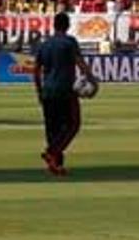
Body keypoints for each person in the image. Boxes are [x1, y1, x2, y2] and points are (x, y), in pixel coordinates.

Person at [33, 11, 87, 176]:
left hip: (48, 91)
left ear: (53, 25)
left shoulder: (44, 44)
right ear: (68, 26)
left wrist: (39, 91)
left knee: (52, 129)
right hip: (65, 91)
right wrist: (92, 79)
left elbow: (36, 71)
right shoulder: (70, 42)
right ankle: (52, 152)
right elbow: (80, 63)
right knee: (73, 124)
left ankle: (55, 165)